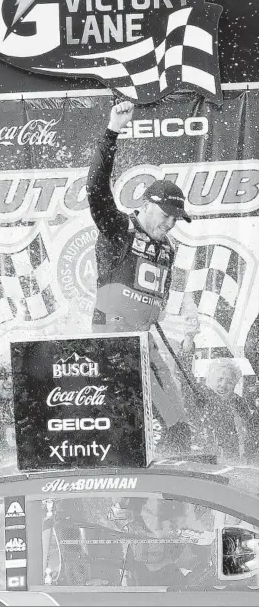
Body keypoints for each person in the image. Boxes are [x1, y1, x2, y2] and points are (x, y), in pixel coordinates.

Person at [87, 101, 195, 453]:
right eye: (166, 214)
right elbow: (96, 191)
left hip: (144, 339)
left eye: (176, 218)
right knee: (159, 415)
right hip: (115, 339)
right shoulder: (119, 228)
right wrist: (112, 132)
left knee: (179, 416)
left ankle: (177, 465)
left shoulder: (169, 248)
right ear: (146, 205)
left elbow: (154, 297)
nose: (170, 222)